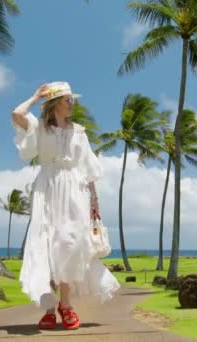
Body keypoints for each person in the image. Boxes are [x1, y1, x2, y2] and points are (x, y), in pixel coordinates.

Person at [11, 81, 120, 330]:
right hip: (47, 187)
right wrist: (35, 95)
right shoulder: (39, 128)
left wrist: (94, 200)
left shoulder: (79, 132)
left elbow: (88, 168)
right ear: (55, 104)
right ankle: (50, 308)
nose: (73, 103)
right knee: (46, 247)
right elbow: (17, 114)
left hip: (74, 190)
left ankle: (66, 304)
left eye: (72, 99)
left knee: (69, 244)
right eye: (68, 99)